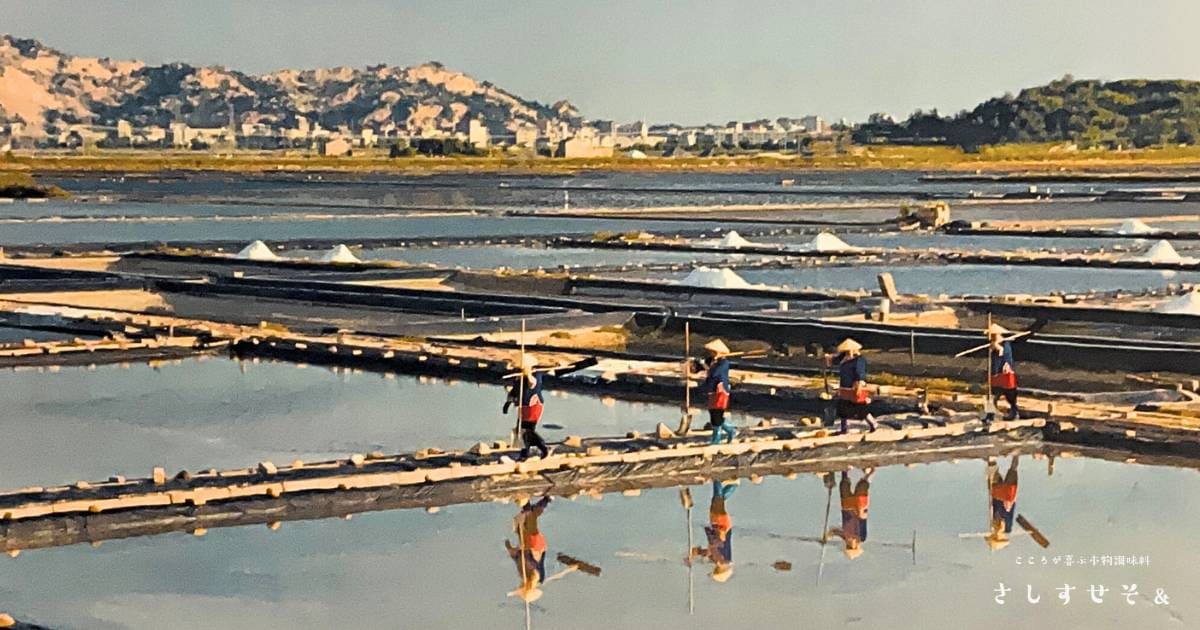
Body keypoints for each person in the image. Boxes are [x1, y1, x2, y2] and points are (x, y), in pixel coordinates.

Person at [505, 496, 552, 603]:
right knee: (529, 520)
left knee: (520, 524)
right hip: (535, 546)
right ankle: (544, 501)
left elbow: (519, 561)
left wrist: (512, 551)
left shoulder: (523, 575)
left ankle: (529, 503)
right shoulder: (537, 577)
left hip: (526, 547)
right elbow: (531, 565)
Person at [690, 479, 737, 582]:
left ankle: (733, 484)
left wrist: (697, 553)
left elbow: (709, 552)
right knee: (717, 499)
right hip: (719, 525)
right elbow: (715, 545)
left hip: (726, 526)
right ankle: (719, 477)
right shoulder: (720, 560)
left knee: (719, 501)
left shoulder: (726, 560)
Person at [826, 338, 876, 434]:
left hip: (855, 386)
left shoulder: (859, 360)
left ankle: (873, 424)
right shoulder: (844, 357)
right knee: (842, 407)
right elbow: (834, 361)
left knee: (860, 407)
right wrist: (828, 358)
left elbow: (860, 374)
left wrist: (859, 385)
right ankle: (844, 429)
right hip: (845, 385)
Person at [504, 357, 550, 460]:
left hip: (533, 405)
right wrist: (508, 403)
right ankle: (526, 452)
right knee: (521, 430)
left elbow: (532, 384)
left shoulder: (536, 374)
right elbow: (514, 391)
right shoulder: (518, 377)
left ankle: (540, 448)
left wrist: (528, 373)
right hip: (523, 406)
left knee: (527, 430)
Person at [694, 339, 736, 444]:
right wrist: (696, 363)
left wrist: (705, 365)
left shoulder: (724, 363)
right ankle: (730, 430)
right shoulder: (712, 361)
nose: (711, 354)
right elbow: (698, 368)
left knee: (717, 413)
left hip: (720, 391)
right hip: (712, 390)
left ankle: (716, 438)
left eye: (713, 352)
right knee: (713, 413)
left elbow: (714, 373)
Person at [826, 468, 873, 560]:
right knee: (861, 486)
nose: (849, 545)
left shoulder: (845, 536)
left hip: (847, 508)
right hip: (858, 508)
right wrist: (861, 512)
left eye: (848, 547)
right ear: (856, 546)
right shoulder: (861, 537)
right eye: (851, 547)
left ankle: (844, 470)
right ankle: (869, 473)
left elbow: (835, 531)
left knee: (844, 486)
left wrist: (828, 536)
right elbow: (862, 521)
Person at [986, 456, 1019, 551]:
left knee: (995, 473)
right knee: (1012, 470)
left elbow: (995, 512)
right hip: (1006, 496)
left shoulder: (995, 526)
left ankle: (992, 458)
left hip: (999, 496)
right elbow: (1001, 519)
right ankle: (1016, 454)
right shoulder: (1005, 528)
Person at [988, 324, 1020, 421]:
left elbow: (1004, 356)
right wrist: (992, 348)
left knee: (1010, 396)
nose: (992, 337)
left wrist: (998, 348)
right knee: (992, 396)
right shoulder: (993, 344)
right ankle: (990, 415)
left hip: (1005, 374)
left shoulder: (1005, 345)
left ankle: (1014, 413)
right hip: (995, 373)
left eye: (994, 335)